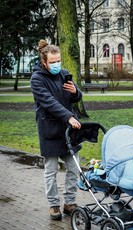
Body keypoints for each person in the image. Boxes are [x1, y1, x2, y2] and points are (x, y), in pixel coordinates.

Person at [30, 39, 82, 220]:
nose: (56, 65)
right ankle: (53, 205)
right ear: (44, 62)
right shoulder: (37, 79)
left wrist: (75, 92)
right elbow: (49, 103)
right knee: (51, 170)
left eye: (58, 61)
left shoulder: (64, 74)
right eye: (53, 62)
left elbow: (76, 97)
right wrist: (68, 116)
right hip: (50, 130)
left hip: (68, 130)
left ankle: (69, 202)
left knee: (74, 168)